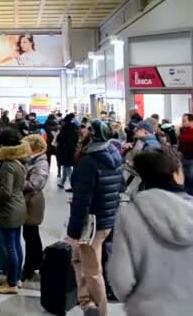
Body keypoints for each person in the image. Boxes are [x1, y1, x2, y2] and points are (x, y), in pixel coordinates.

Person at [108, 151, 193, 316]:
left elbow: (121, 278)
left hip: (147, 309)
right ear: (175, 176)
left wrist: (135, 300)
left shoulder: (130, 215)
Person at [66, 120, 123, 316]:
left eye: (87, 129)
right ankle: (87, 303)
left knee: (91, 271)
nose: (82, 131)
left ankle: (101, 311)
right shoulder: (114, 154)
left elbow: (82, 201)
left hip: (90, 224)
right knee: (77, 260)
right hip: (105, 218)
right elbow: (117, 187)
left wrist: (73, 232)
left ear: (94, 135)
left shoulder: (89, 161)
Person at [0, 128, 31, 294]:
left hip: (9, 210)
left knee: (10, 247)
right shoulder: (19, 161)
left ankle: (12, 283)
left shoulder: (8, 165)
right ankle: (16, 278)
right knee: (16, 245)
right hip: (19, 207)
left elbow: (5, 193)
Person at [21, 134, 49, 282]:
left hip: (32, 202)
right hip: (27, 200)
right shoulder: (31, 160)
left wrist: (17, 181)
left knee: (31, 235)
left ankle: (30, 266)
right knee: (30, 234)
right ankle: (35, 262)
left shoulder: (41, 163)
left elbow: (34, 184)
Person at [56, 114, 79, 189]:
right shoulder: (75, 128)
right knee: (66, 166)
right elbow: (76, 139)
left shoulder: (64, 129)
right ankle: (62, 182)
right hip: (72, 150)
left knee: (67, 167)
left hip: (64, 150)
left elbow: (59, 139)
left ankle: (73, 185)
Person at [179, 113, 193, 195]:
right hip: (184, 157)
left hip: (191, 158)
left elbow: (184, 139)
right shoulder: (185, 130)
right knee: (186, 178)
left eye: (184, 121)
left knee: (190, 178)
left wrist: (181, 136)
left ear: (191, 121)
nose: (182, 122)